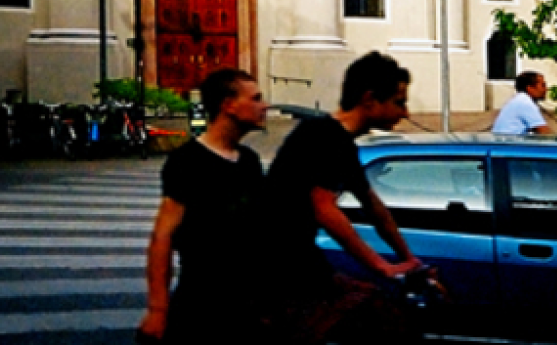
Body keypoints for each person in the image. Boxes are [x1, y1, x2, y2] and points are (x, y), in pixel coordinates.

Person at [264, 51, 424, 344]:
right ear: (369, 100)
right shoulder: (322, 136)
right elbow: (324, 209)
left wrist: (409, 258)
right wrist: (381, 266)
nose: (406, 114)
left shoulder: (341, 142)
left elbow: (374, 206)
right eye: (399, 102)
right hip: (278, 267)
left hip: (298, 261)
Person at [137, 67, 269, 344]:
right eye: (256, 98)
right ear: (228, 105)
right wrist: (158, 309)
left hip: (246, 306)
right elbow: (163, 236)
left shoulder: (249, 161)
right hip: (202, 304)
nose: (264, 106)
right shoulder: (188, 162)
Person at [492, 69, 550, 135]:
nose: (546, 89)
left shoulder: (519, 100)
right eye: (543, 85)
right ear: (530, 88)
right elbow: (545, 133)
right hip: (509, 144)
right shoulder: (525, 103)